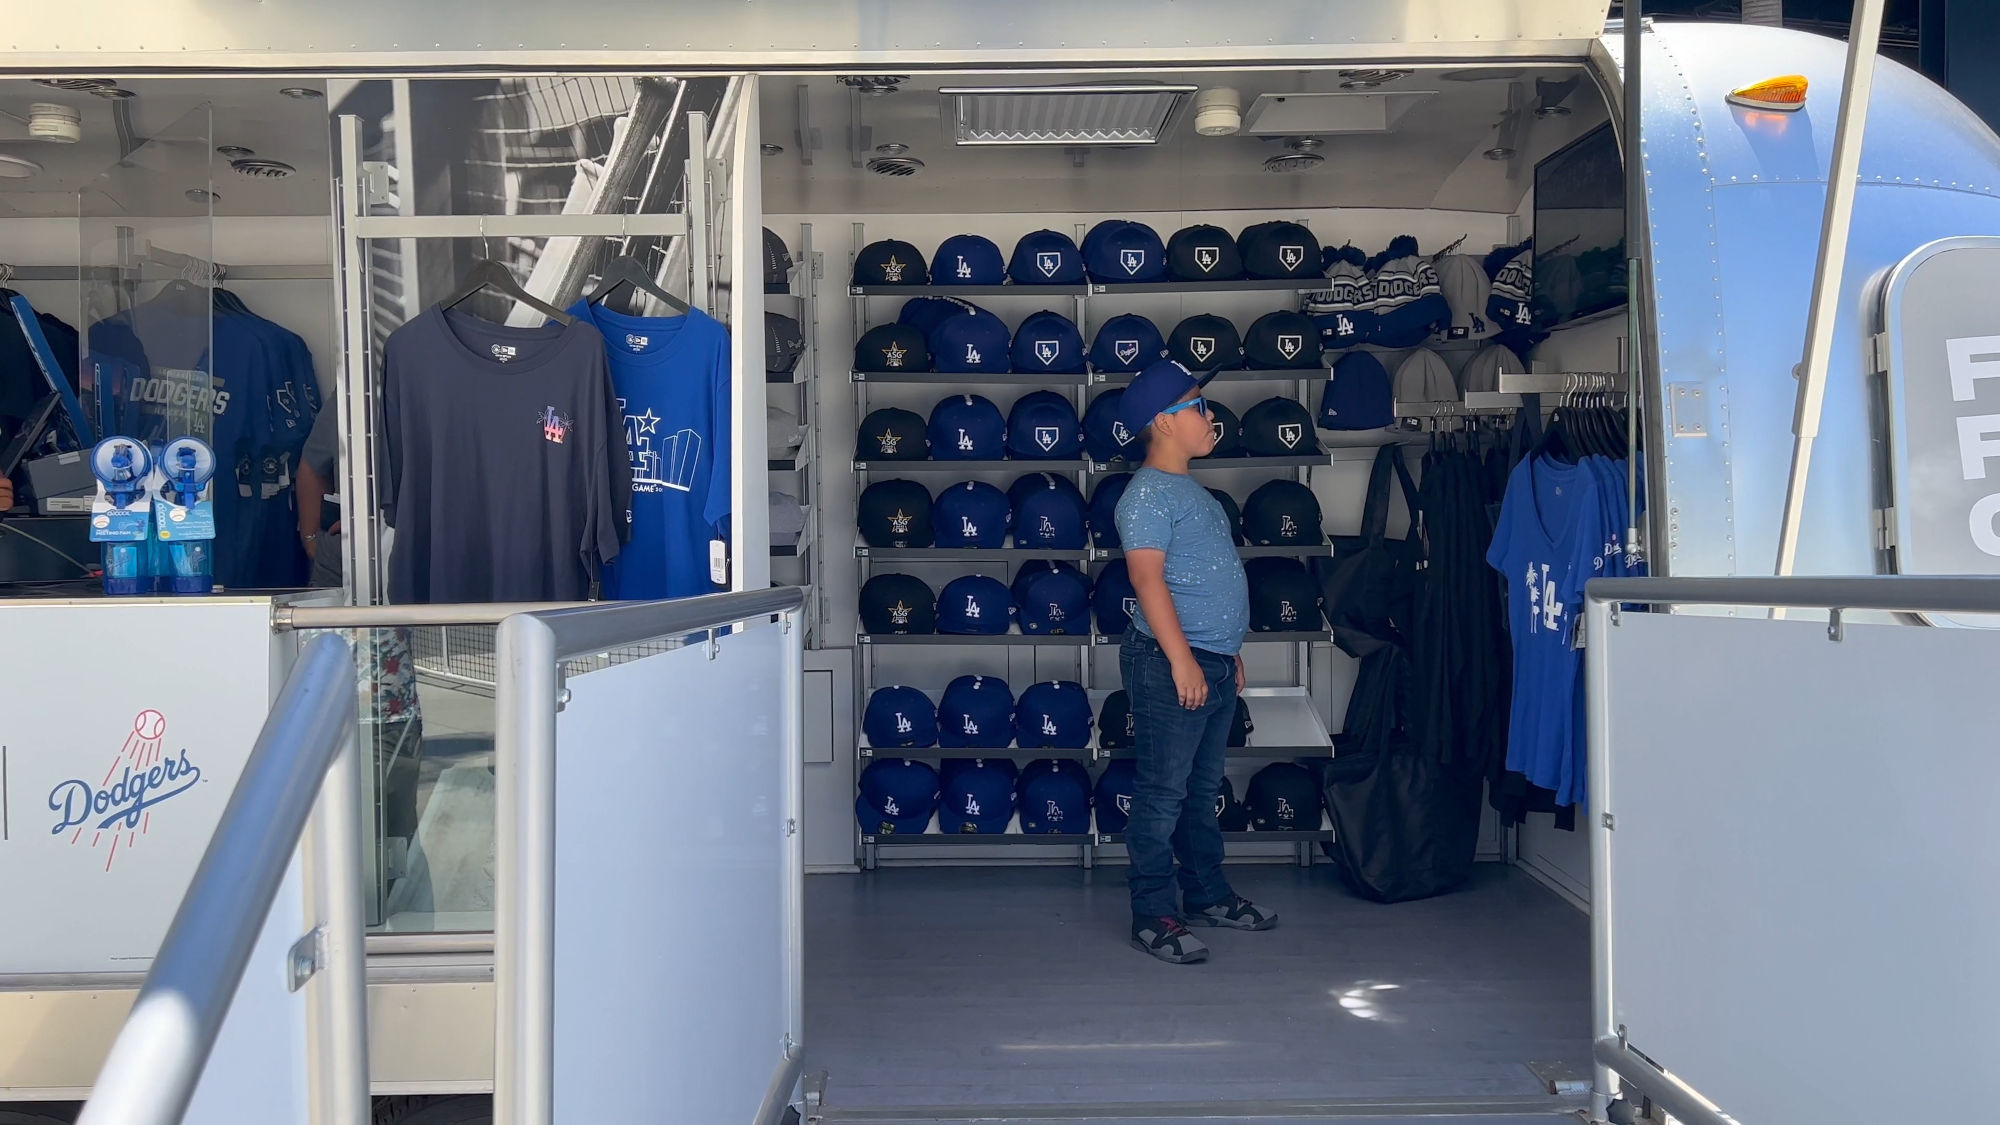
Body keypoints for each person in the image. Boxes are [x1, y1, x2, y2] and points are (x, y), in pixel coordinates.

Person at [1112, 360, 1278, 965]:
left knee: (1201, 789)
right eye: (1198, 407)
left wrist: (1226, 653)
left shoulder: (1194, 492)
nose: (1212, 417)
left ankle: (1206, 893)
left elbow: (1208, 580)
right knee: (1163, 792)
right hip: (1169, 663)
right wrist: (1182, 660)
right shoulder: (1147, 495)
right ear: (1163, 421)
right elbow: (1146, 579)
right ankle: (1153, 912)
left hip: (1209, 661)